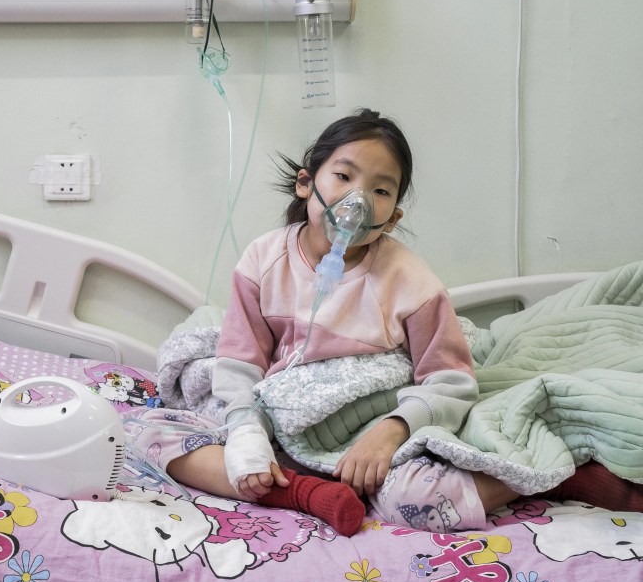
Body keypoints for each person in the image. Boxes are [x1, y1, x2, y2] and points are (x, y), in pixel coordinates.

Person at [141, 108, 643, 536]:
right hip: (276, 422)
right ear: (306, 183)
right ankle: (304, 494)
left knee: (419, 503)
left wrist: (392, 431)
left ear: (394, 216)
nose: (357, 202)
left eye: (380, 190)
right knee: (151, 434)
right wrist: (244, 428)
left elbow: (451, 381)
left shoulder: (410, 283)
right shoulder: (262, 259)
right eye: (344, 177)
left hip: (363, 429)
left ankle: (552, 477)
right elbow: (240, 357)